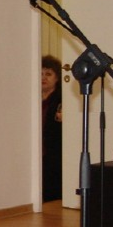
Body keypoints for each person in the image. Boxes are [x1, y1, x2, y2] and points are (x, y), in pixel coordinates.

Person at [41, 54, 63, 202]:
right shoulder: (29, 98)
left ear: (57, 78)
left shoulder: (62, 99)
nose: (43, 77)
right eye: (40, 74)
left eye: (48, 74)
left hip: (53, 154)